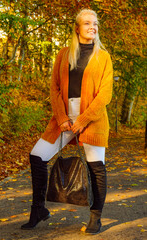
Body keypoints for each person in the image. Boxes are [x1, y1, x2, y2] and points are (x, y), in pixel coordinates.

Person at [21, 9, 113, 235]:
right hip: (63, 118)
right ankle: (38, 210)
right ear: (77, 28)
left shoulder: (103, 57)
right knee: (37, 156)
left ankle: (95, 217)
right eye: (88, 23)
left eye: (95, 24)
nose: (93, 27)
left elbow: (105, 95)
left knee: (96, 168)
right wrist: (62, 118)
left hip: (92, 119)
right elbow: (54, 88)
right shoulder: (64, 54)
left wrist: (82, 120)